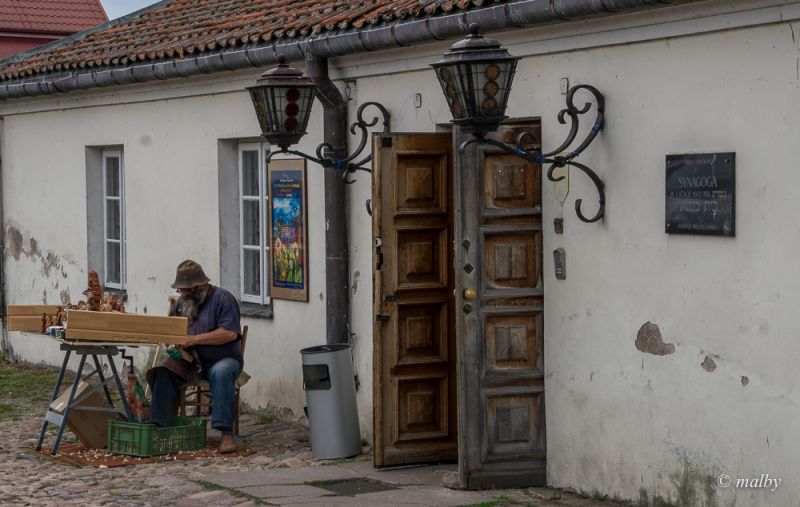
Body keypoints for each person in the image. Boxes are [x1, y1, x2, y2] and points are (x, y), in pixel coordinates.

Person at [147, 259, 243, 453]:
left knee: (221, 372)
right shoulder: (182, 303)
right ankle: (158, 428)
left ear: (201, 286)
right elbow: (173, 331)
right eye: (181, 290)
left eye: (186, 290)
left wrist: (195, 339)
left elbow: (229, 333)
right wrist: (172, 343)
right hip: (190, 360)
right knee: (163, 370)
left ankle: (226, 435)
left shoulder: (223, 299)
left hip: (223, 359)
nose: (183, 294)